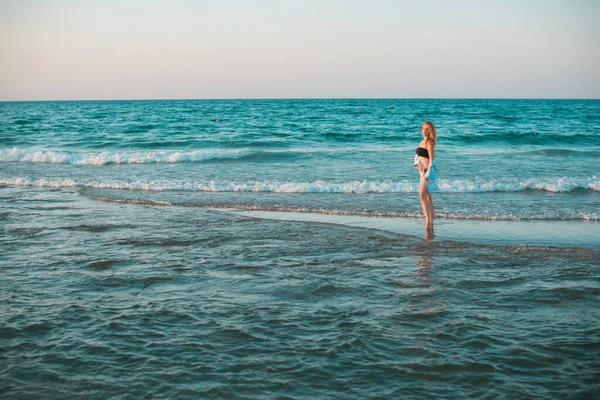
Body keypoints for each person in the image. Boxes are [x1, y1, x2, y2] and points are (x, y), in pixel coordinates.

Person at [413, 121, 439, 231]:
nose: (425, 130)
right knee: (428, 197)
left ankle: (428, 222)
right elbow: (417, 156)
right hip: (422, 172)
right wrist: (418, 165)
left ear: (431, 131)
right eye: (423, 128)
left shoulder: (429, 142)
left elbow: (432, 160)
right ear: (421, 130)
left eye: (427, 129)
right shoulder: (421, 141)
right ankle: (431, 221)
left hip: (428, 172)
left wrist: (428, 174)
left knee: (422, 195)